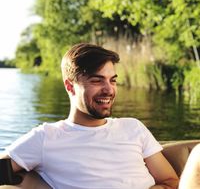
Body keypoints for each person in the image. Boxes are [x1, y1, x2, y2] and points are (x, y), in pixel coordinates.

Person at [0, 43, 179, 189]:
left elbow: (170, 182)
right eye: (97, 80)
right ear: (70, 86)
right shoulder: (46, 137)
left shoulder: (133, 127)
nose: (109, 90)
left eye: (112, 80)